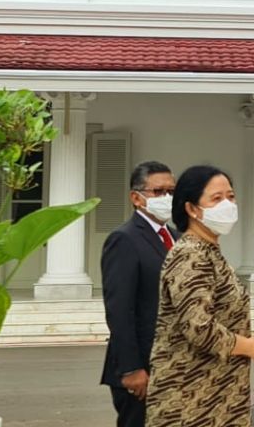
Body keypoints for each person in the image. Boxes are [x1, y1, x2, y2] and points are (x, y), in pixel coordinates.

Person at [146, 165, 254, 426]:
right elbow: (198, 326)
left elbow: (218, 317)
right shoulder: (190, 255)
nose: (228, 205)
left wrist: (250, 340)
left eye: (230, 197)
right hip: (190, 400)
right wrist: (249, 346)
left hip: (218, 395)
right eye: (216, 199)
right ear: (192, 209)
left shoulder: (209, 252)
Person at [100, 161, 177, 427]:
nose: (167, 198)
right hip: (141, 369)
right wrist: (132, 368)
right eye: (158, 192)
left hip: (173, 365)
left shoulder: (175, 236)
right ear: (136, 197)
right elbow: (120, 309)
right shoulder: (124, 239)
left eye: (172, 191)